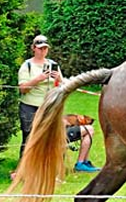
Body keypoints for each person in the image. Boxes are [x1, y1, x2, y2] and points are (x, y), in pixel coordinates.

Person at [17, 35, 100, 173]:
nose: (43, 51)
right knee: (29, 136)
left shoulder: (52, 64)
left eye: (45, 48)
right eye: (40, 48)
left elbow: (62, 87)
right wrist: (39, 78)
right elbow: (23, 89)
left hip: (50, 107)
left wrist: (59, 78)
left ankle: (53, 167)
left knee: (53, 135)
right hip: (30, 107)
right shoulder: (27, 66)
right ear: (33, 48)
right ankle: (23, 169)